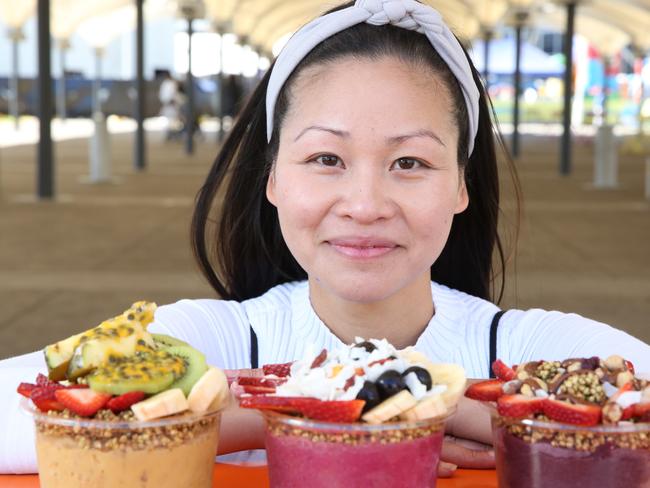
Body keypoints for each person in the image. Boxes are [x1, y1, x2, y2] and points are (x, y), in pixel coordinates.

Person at [1, 0, 649, 476]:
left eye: (411, 163)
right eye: (326, 160)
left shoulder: (519, 346)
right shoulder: (221, 338)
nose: (365, 205)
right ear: (274, 178)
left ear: (460, 187)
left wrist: (417, 403)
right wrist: (337, 412)